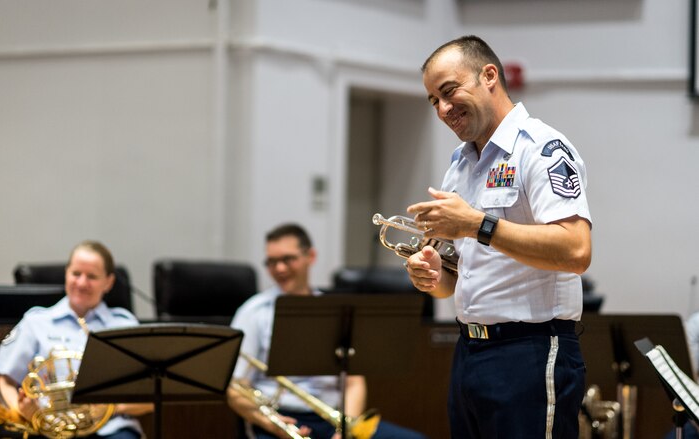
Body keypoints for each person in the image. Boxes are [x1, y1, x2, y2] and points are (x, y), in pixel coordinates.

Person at [404, 35, 592, 438]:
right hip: (469, 350)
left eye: (449, 91)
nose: (443, 109)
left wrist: (476, 224)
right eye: (433, 100)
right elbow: (457, 278)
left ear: (489, 75)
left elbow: (575, 251)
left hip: (531, 349)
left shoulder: (541, 147)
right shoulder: (460, 164)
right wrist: (433, 275)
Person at [227, 223, 427, 439]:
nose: (280, 269)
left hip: (333, 419)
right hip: (281, 419)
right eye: (272, 262)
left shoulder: (335, 310)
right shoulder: (253, 312)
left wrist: (344, 432)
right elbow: (236, 387)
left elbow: (354, 382)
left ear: (310, 256)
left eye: (288, 259)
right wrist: (272, 423)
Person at [0, 240, 152, 439]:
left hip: (112, 429)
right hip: (48, 430)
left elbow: (151, 395)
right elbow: (5, 379)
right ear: (66, 273)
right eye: (76, 274)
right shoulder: (36, 321)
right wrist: (24, 411)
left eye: (92, 276)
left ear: (109, 282)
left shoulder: (124, 325)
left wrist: (110, 407)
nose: (82, 283)